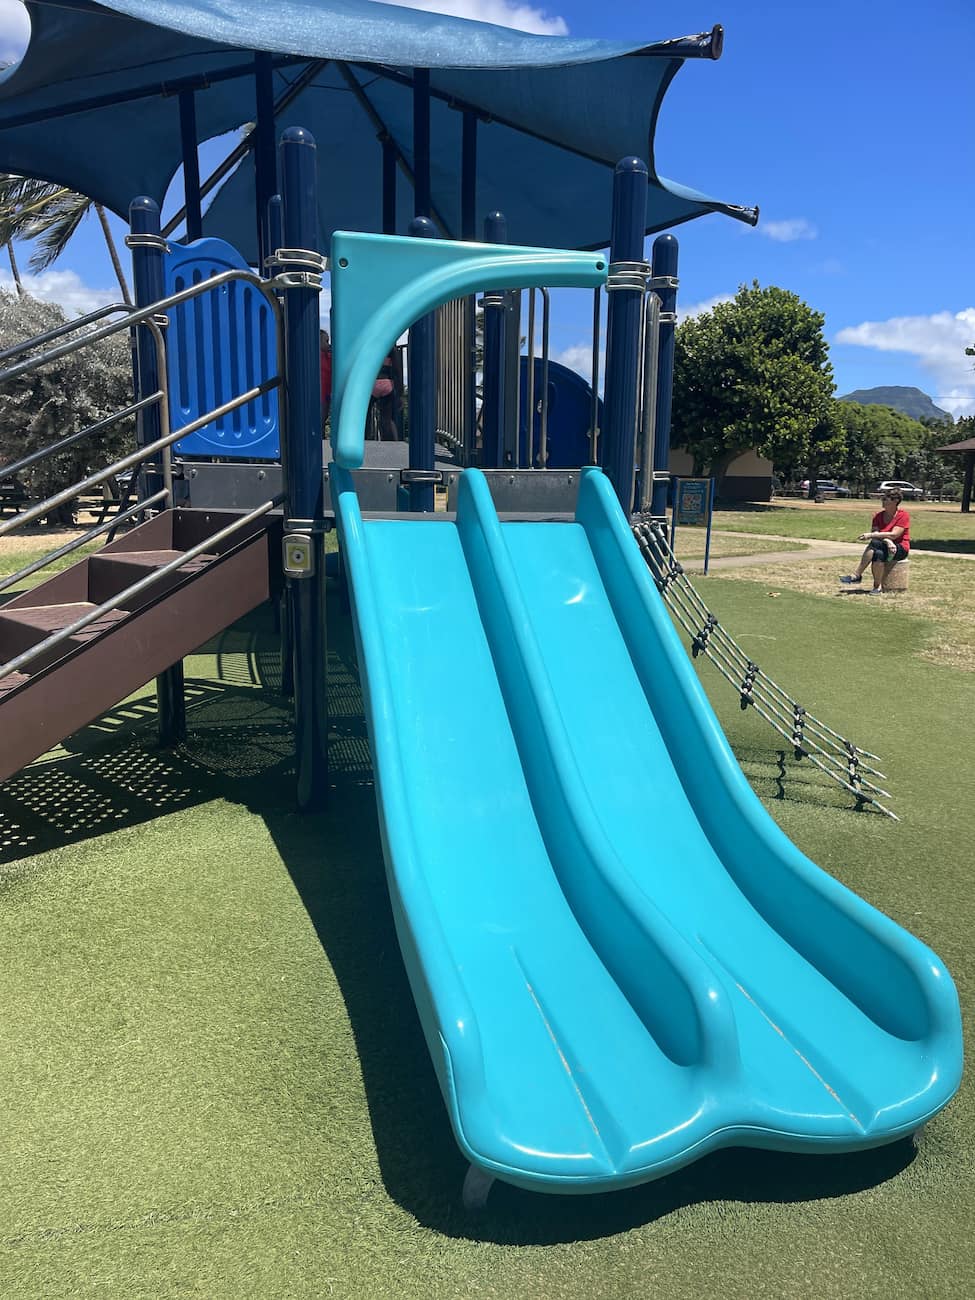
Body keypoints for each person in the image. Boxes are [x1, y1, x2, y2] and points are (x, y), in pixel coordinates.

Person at [840, 489, 910, 594]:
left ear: (895, 501)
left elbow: (894, 534)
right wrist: (887, 541)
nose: (883, 501)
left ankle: (857, 575)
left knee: (874, 543)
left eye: (885, 499)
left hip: (900, 548)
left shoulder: (903, 516)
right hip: (885, 546)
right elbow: (877, 534)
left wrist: (872, 535)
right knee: (878, 553)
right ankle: (877, 587)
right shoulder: (878, 516)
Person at [319, 329, 332, 436]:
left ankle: (321, 437)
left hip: (327, 393)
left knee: (323, 418)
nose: (328, 344)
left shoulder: (328, 357)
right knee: (320, 419)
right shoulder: (317, 357)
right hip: (321, 394)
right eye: (326, 341)